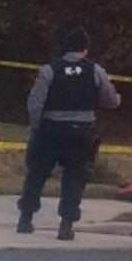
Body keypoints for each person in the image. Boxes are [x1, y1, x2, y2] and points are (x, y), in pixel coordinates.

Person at [16, 27, 121, 241]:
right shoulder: (96, 71)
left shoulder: (49, 70)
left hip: (50, 129)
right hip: (81, 132)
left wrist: (36, 129)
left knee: (37, 174)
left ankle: (25, 219)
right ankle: (66, 225)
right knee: (74, 177)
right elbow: (110, 101)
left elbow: (35, 103)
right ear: (85, 49)